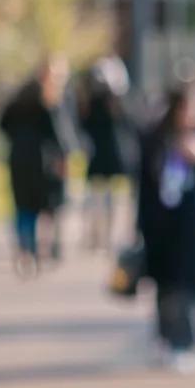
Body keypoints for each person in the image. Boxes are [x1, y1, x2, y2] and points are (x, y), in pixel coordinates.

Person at [137, 79, 195, 371]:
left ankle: (183, 341)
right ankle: (167, 339)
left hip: (189, 227)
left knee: (188, 286)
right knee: (165, 286)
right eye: (193, 107)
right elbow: (144, 184)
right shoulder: (156, 138)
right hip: (160, 226)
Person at [0, 58, 70, 277]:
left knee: (22, 208)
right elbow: (58, 135)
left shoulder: (18, 99)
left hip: (18, 158)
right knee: (40, 206)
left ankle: (25, 249)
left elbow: (2, 124)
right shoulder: (48, 101)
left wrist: (17, 139)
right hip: (40, 161)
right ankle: (35, 250)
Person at [78, 55, 132, 252]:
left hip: (108, 154)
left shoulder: (113, 102)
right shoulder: (94, 101)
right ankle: (96, 234)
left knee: (105, 198)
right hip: (101, 154)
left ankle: (103, 235)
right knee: (97, 198)